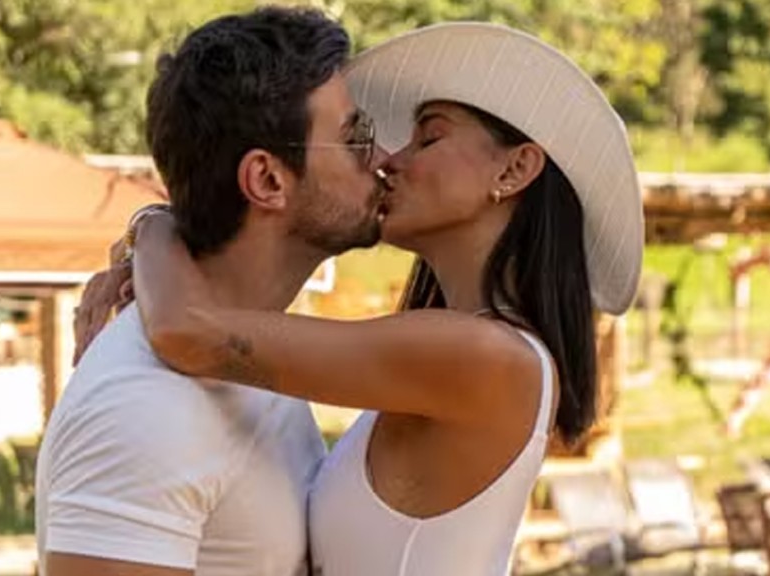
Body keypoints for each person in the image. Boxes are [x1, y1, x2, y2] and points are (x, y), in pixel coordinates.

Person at [84, 22, 644, 576]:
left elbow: (187, 332)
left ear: (515, 168)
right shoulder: (461, 351)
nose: (390, 160)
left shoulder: (484, 356)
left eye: (429, 138)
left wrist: (153, 224)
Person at [36, 7, 386, 576]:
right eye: (355, 139)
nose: (382, 160)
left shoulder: (249, 350)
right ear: (267, 180)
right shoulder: (145, 406)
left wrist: (151, 224)